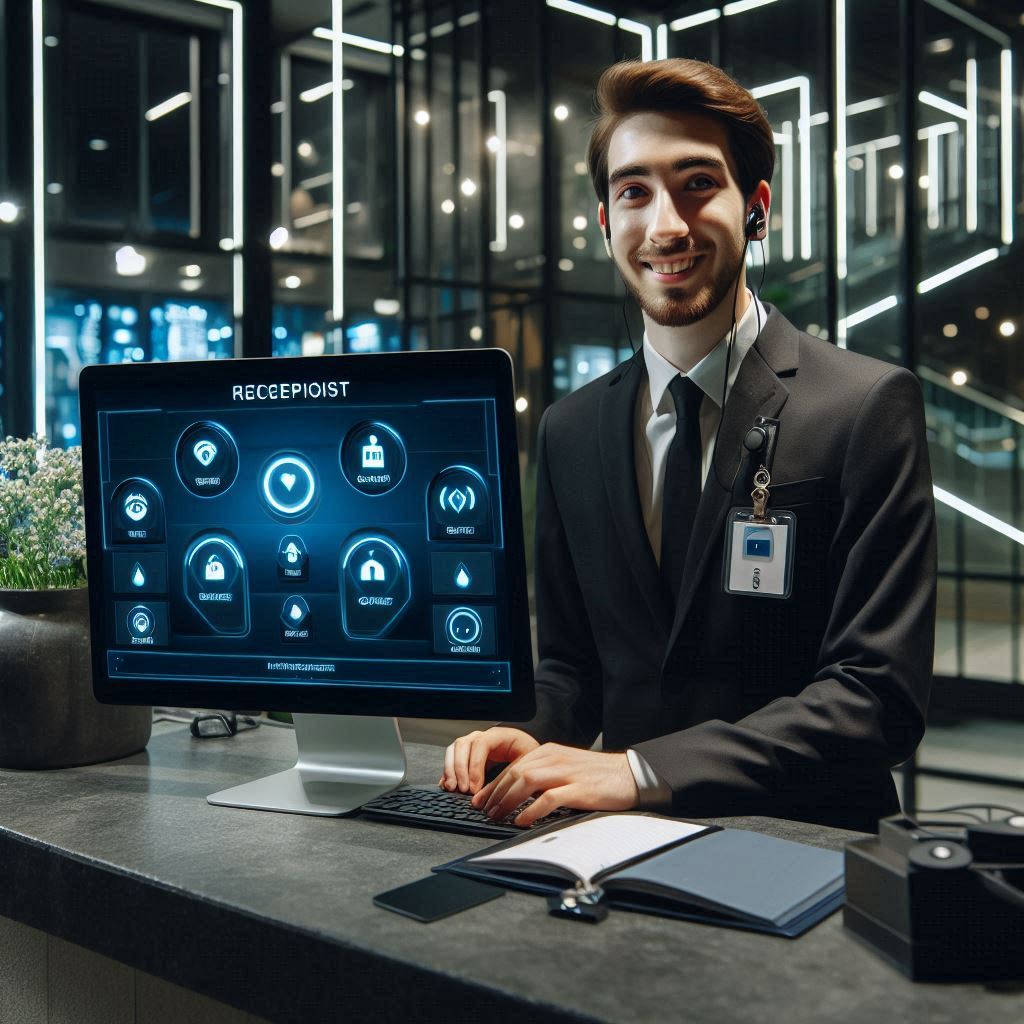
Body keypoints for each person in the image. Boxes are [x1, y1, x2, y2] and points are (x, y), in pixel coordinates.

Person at [440, 58, 936, 833]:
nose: (665, 225)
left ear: (756, 208)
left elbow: (875, 697)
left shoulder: (864, 405)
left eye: (698, 183)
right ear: (606, 222)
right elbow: (574, 669)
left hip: (806, 849)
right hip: (616, 851)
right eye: (633, 191)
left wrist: (640, 770)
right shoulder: (569, 430)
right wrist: (533, 732)